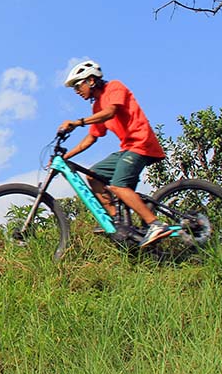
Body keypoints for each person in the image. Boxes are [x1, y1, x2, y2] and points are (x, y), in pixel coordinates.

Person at [57, 60, 171, 247]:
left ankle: (156, 224)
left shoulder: (115, 87)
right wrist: (66, 157)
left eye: (78, 86)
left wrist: (78, 122)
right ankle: (117, 224)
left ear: (91, 80)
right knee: (94, 176)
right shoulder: (96, 107)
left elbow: (111, 112)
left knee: (118, 186)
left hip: (141, 144)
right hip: (127, 148)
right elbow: (92, 137)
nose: (77, 91)